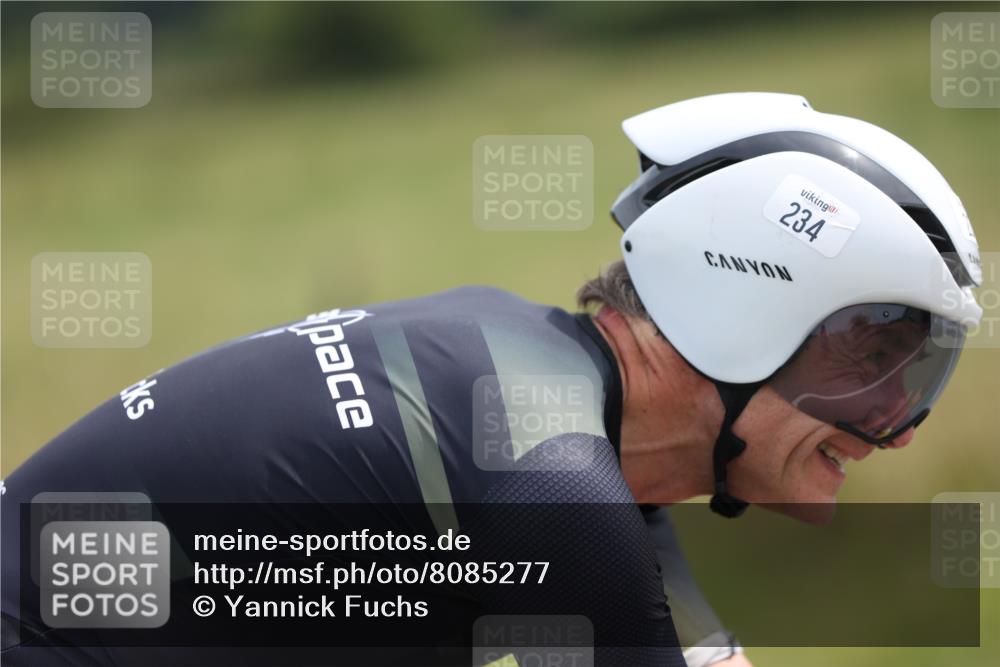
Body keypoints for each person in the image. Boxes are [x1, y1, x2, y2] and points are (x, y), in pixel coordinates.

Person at [1, 92, 981, 666]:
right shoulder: (547, 477)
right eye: (868, 370)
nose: (889, 425)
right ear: (742, 312)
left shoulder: (517, 372)